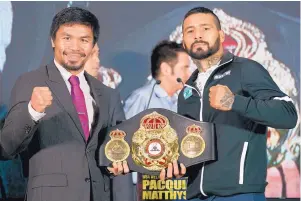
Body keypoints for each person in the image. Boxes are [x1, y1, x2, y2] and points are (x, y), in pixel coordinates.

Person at [167, 6, 298, 201]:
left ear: (221, 35)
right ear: (184, 43)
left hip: (238, 194)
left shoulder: (245, 69)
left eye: (205, 28)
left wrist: (234, 101)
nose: (197, 35)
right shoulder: (187, 92)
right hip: (194, 195)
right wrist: (177, 165)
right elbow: (190, 147)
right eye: (190, 31)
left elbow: (288, 114)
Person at [0, 7, 129, 201]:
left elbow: (120, 155)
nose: (75, 47)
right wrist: (32, 111)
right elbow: (6, 147)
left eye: (84, 40)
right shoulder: (29, 82)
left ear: (93, 44)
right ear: (53, 40)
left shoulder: (109, 95)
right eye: (67, 38)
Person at [124, 40, 191, 201]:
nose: (189, 73)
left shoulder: (178, 102)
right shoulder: (143, 98)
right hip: (143, 188)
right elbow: (123, 138)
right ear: (166, 69)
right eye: (184, 68)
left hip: (171, 186)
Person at [84, 43, 134, 201]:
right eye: (92, 55)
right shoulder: (51, 98)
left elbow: (121, 154)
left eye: (98, 54)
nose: (97, 61)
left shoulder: (111, 100)